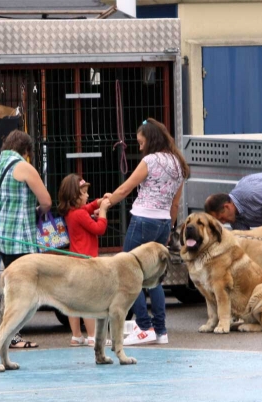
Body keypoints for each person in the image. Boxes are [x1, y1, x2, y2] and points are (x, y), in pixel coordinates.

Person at [108, 118, 190, 346]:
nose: (140, 146)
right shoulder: (178, 163)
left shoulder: (150, 161)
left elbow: (126, 188)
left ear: (150, 139)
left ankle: (144, 327)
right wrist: (169, 228)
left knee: (129, 273)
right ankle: (161, 331)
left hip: (143, 219)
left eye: (141, 141)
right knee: (154, 279)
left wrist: (107, 203)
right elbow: (175, 203)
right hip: (164, 221)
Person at [0, 130, 52, 348]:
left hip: (2, 236)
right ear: (26, 150)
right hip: (21, 238)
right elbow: (46, 201)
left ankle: (4, 334)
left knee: (11, 288)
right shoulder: (23, 166)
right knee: (21, 291)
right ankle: (10, 336)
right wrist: (37, 212)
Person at [57, 174, 111, 347]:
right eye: (84, 193)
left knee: (74, 302)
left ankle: (76, 335)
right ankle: (94, 337)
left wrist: (98, 202)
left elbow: (87, 208)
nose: (87, 195)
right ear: (75, 196)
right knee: (88, 302)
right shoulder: (79, 214)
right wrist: (102, 211)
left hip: (74, 261)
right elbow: (99, 228)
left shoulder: (71, 212)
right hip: (87, 262)